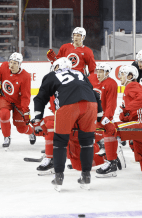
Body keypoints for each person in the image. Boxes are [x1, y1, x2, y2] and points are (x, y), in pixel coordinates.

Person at [32, 57, 103, 192]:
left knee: (60, 143)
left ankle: (59, 178)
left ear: (57, 67)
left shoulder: (52, 75)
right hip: (90, 105)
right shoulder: (80, 74)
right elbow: (95, 94)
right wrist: (100, 114)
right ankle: (86, 177)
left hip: (69, 106)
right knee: (87, 142)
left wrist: (37, 118)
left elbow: (40, 98)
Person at [99, 65, 142, 177]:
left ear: (130, 76)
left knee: (109, 128)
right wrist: (124, 113)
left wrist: (126, 109)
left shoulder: (132, 85)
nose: (119, 77)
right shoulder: (134, 88)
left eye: (122, 74)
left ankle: (112, 163)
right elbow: (128, 115)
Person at [0, 52, 35, 149]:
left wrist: (25, 111)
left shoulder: (25, 76)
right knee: (4, 114)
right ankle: (6, 137)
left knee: (21, 129)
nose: (11, 65)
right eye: (10, 62)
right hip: (5, 98)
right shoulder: (4, 66)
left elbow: (25, 96)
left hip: (18, 102)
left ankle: (31, 131)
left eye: (15, 63)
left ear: (19, 64)